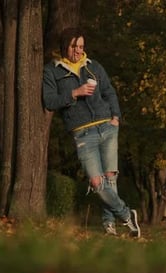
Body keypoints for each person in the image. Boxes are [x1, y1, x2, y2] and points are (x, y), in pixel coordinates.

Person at [42, 27, 140, 237]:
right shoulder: (52, 70)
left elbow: (109, 91)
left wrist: (116, 117)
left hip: (107, 125)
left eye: (81, 46)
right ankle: (126, 215)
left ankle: (109, 225)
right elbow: (49, 101)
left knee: (110, 177)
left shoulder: (93, 67)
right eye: (74, 46)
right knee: (97, 182)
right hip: (82, 133)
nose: (78, 51)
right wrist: (74, 93)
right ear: (64, 46)